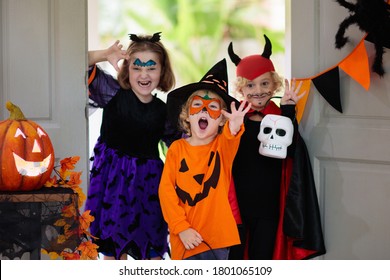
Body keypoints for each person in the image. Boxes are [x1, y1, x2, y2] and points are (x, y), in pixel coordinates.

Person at [227, 34, 326, 260]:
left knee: (262, 257)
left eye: (265, 83)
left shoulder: (280, 116)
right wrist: (231, 128)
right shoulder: (235, 118)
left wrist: (289, 111)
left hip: (269, 207)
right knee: (234, 259)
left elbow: (292, 152)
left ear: (274, 84)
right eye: (250, 85)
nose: (258, 90)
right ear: (241, 89)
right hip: (237, 208)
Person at [85, 32, 176, 260]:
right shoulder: (113, 93)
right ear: (127, 69)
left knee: (153, 248)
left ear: (162, 71)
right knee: (115, 249)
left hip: (148, 187)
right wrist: (104, 55)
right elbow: (75, 62)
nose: (144, 74)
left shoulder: (163, 111)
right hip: (112, 183)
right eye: (137, 67)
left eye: (151, 68)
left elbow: (182, 143)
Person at [159, 59, 251, 260]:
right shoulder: (177, 149)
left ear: (221, 120)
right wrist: (181, 227)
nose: (204, 111)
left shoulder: (222, 148)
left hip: (217, 239)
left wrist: (234, 125)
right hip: (184, 239)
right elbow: (166, 191)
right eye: (198, 105)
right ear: (187, 116)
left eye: (212, 108)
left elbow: (231, 135)